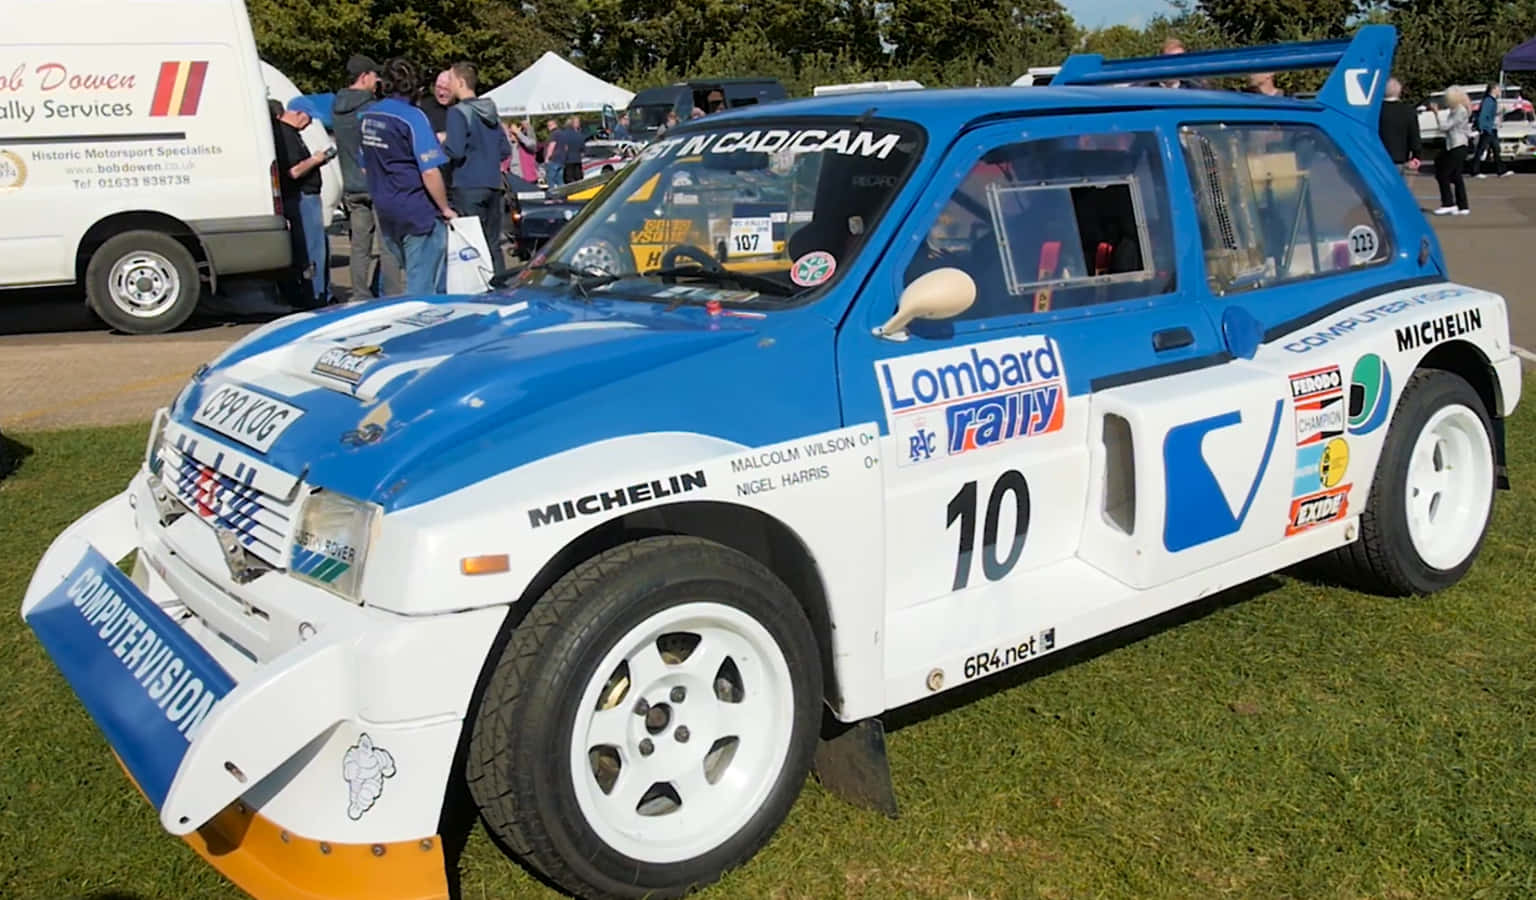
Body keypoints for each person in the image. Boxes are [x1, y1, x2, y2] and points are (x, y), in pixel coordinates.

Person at [359, 58, 457, 294]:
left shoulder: (369, 116)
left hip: (385, 208)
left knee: (406, 270)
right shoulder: (413, 117)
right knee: (422, 287)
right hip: (416, 210)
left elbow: (364, 165)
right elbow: (430, 170)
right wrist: (445, 208)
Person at [333, 54, 399, 299]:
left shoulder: (337, 107)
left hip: (352, 187)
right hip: (378, 185)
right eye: (374, 75)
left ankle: (360, 295)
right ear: (364, 77)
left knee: (359, 247)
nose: (378, 80)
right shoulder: (373, 108)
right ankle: (392, 295)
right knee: (387, 246)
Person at [443, 61, 512, 280]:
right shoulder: (491, 112)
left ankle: (477, 291)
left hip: (468, 183)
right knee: (493, 244)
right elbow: (504, 149)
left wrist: (442, 141)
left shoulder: (458, 113)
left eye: (451, 80)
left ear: (461, 82)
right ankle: (500, 287)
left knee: (471, 246)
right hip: (493, 183)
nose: (448, 85)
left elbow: (455, 151)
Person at [270, 99, 332, 306]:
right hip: (302, 198)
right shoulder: (286, 135)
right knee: (312, 249)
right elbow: (294, 171)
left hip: (301, 198)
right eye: (309, 119)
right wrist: (316, 159)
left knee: (313, 247)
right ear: (300, 114)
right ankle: (315, 296)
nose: (308, 124)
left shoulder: (286, 133)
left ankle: (315, 293)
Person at [1434, 87, 1473, 216]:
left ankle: (1448, 203)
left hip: (1457, 145)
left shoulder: (1459, 111)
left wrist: (1436, 113)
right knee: (1456, 176)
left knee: (1443, 174)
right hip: (1456, 145)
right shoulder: (1458, 109)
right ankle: (1462, 205)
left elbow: (1444, 127)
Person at [1378, 77, 1423, 178]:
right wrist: (1416, 155)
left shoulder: (1376, 112)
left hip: (1378, 157)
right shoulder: (1408, 111)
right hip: (1399, 158)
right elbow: (1414, 136)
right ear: (1399, 91)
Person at [1472, 83, 1508, 178]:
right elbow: (1483, 115)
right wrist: (1482, 128)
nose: (1500, 91)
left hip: (1492, 128)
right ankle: (1474, 171)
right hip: (1487, 129)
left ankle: (1501, 171)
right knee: (1481, 149)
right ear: (1493, 89)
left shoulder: (1492, 100)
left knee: (1496, 149)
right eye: (1498, 89)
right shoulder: (1488, 100)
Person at [557, 116, 586, 186]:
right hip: (578, 159)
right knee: (578, 180)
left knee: (569, 181)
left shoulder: (563, 134)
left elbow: (562, 147)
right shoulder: (580, 135)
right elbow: (583, 149)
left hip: (567, 160)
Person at [541, 118, 562, 187]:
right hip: (561, 160)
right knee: (559, 180)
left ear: (555, 125)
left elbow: (552, 146)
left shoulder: (554, 134)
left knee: (550, 179)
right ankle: (563, 194)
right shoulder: (561, 133)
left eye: (550, 125)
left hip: (553, 160)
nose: (548, 127)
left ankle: (552, 195)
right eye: (548, 125)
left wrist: (547, 158)